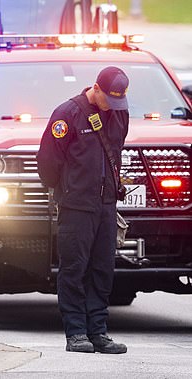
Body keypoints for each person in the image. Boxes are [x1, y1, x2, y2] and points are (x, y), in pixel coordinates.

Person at [37, 66, 130, 354]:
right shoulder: (68, 114)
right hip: (76, 205)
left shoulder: (119, 113)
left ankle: (98, 331)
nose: (111, 107)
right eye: (108, 100)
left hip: (105, 205)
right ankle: (76, 332)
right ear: (96, 88)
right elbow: (48, 162)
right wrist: (66, 189)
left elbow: (116, 149)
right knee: (74, 269)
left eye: (118, 102)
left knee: (103, 269)